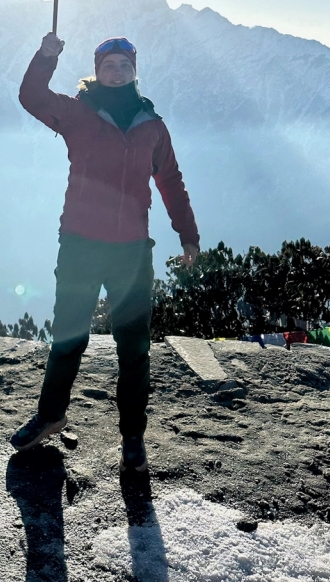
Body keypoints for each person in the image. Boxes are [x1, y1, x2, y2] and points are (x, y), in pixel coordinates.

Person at [11, 32, 199, 472]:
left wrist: (188, 234)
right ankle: (50, 417)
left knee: (134, 348)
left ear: (135, 70)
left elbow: (170, 181)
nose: (117, 72)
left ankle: (133, 436)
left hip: (132, 251)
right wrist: (45, 57)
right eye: (109, 65)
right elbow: (31, 96)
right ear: (97, 71)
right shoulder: (77, 113)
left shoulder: (152, 125)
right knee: (68, 339)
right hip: (80, 244)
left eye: (124, 65)